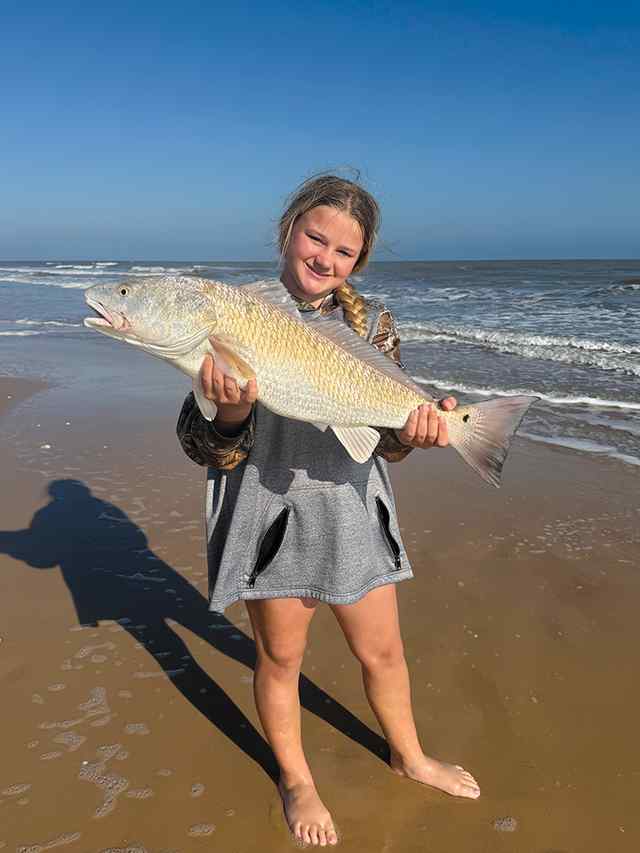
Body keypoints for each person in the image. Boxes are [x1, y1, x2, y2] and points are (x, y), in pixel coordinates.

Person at [177, 175, 480, 847]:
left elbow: (387, 440)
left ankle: (410, 753)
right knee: (280, 658)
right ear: (288, 228)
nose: (325, 258)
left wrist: (419, 430)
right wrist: (229, 409)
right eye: (316, 236)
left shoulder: (371, 325)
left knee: (384, 653)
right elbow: (204, 446)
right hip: (271, 512)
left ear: (358, 262)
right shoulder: (231, 310)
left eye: (344, 252)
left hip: (353, 510)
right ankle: (296, 779)